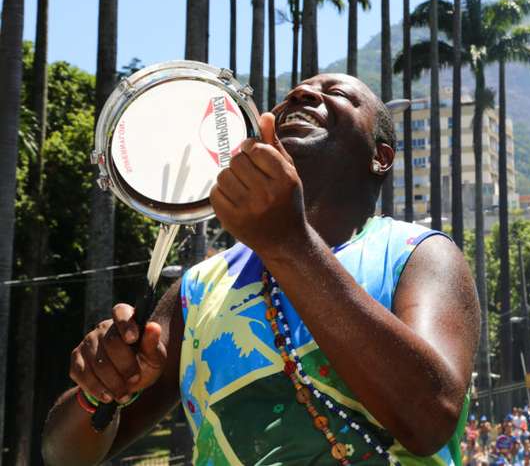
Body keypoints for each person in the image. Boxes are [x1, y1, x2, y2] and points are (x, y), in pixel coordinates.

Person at [42, 73, 481, 465]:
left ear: (380, 157)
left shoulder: (419, 254)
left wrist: (289, 243)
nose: (304, 93)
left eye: (337, 94)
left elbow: (431, 418)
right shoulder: (198, 288)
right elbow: (63, 456)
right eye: (293, 94)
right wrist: (98, 389)